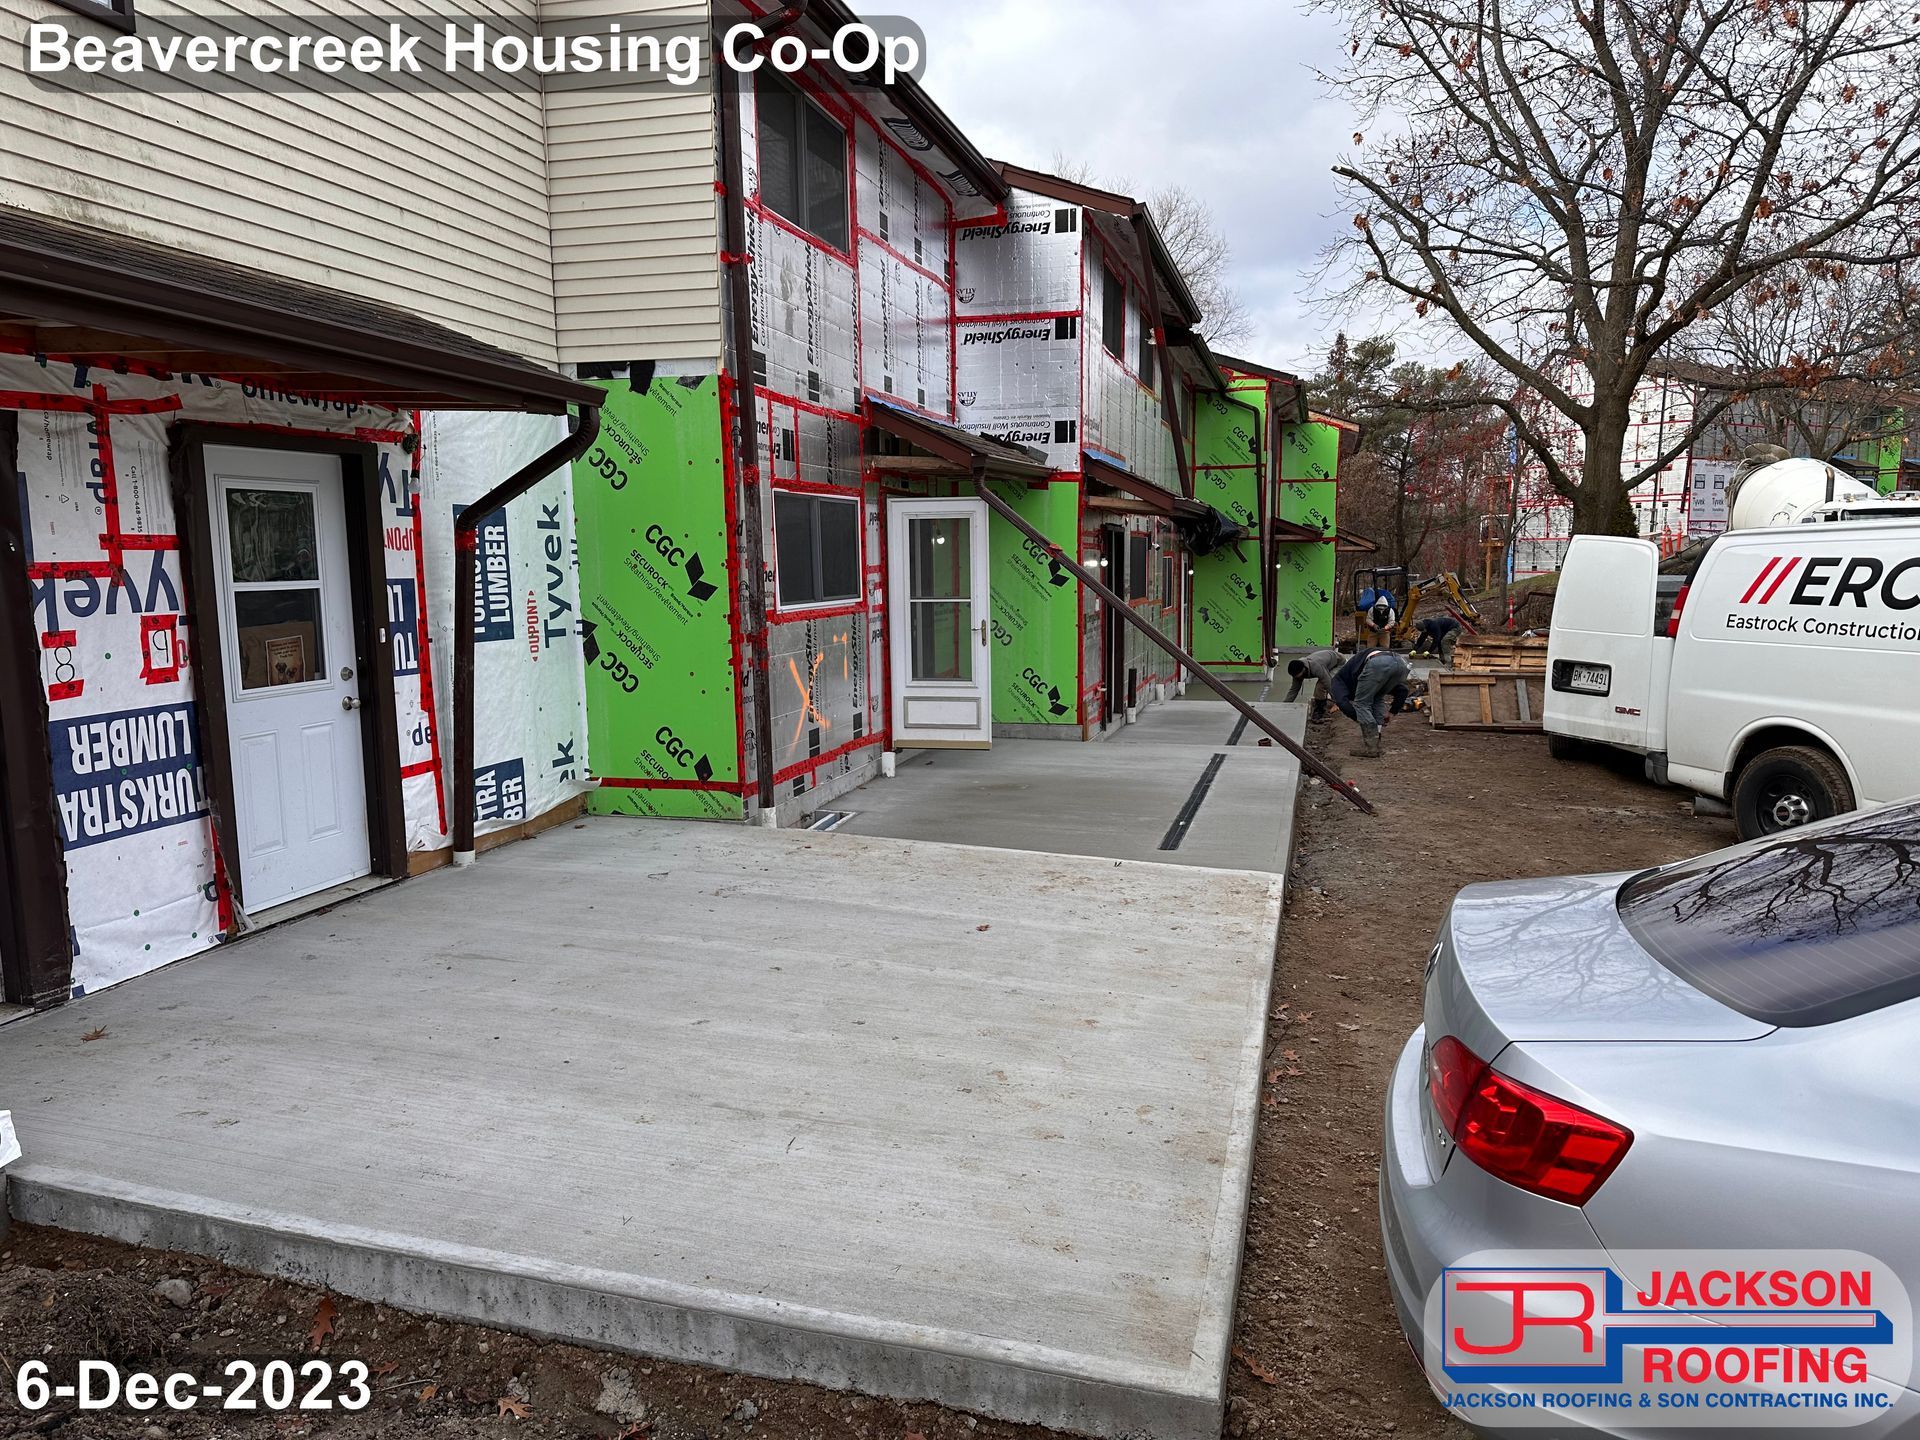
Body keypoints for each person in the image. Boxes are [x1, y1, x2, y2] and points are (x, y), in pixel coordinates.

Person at [1329, 646, 1412, 759]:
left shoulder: (1336, 682)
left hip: (1378, 663)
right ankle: (1376, 741)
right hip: (1401, 663)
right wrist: (1392, 712)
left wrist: (1359, 719)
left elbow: (1343, 703)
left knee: (1361, 704)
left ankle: (1371, 748)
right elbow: (1403, 690)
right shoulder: (1352, 673)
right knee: (1377, 697)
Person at [1284, 647, 1344, 720]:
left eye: (1298, 676)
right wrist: (1284, 705)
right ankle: (1321, 705)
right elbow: (1294, 690)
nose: (1297, 678)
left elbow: (1329, 684)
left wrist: (1337, 703)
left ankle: (1320, 709)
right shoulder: (1296, 670)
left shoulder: (1316, 667)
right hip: (1326, 663)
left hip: (1338, 663)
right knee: (1320, 686)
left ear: (1303, 670)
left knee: (1320, 686)